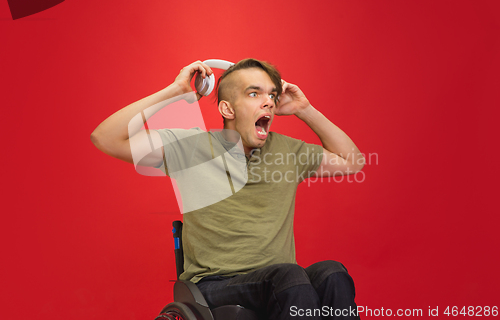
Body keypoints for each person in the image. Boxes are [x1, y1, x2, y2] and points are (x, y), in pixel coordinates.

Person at [91, 59, 365, 319]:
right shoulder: (192, 147)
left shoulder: (287, 151)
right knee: (290, 277)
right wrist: (175, 91)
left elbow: (353, 162)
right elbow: (106, 137)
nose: (268, 101)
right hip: (214, 285)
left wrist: (305, 109)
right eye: (254, 94)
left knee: (332, 273)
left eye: (272, 94)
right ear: (227, 109)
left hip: (278, 281)